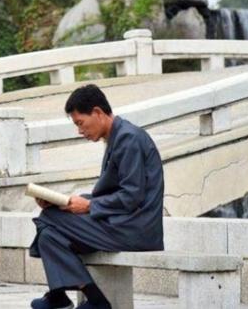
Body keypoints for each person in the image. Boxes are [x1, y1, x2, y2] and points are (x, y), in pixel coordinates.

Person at [29, 84, 165, 309]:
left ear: (98, 113)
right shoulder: (117, 137)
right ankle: (62, 297)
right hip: (120, 223)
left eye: (80, 123)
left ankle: (95, 302)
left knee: (48, 218)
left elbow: (132, 196)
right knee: (49, 235)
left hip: (135, 228)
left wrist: (89, 205)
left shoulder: (129, 139)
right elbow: (114, 194)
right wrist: (68, 202)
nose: (80, 131)